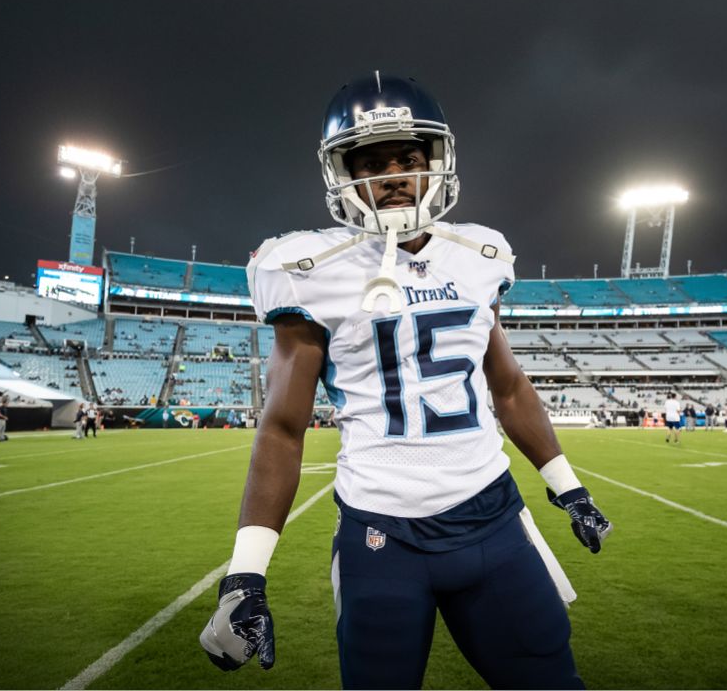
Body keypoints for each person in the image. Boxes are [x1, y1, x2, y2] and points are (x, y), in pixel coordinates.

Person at [199, 73, 611, 689]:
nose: (391, 174)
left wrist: (566, 486)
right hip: (381, 533)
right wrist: (245, 575)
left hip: (494, 519)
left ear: (435, 164)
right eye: (370, 161)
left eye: (407, 158)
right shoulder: (309, 269)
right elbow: (284, 428)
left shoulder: (480, 255)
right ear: (341, 173)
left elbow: (508, 387)